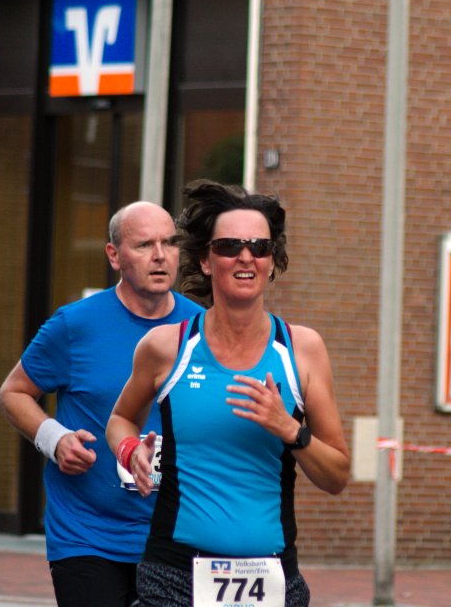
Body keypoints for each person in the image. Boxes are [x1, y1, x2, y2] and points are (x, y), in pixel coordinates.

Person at [106, 179, 350, 607]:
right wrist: (130, 451)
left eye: (260, 247)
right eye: (229, 246)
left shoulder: (302, 349)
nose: (246, 256)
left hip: (272, 578)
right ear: (205, 260)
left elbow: (337, 477)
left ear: (272, 262)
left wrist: (290, 430)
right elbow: (121, 419)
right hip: (175, 577)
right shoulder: (166, 347)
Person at [0, 202, 203, 607]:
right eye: (144, 245)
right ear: (114, 255)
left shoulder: (201, 329)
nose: (160, 256)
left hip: (173, 536)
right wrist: (55, 439)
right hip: (87, 534)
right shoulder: (75, 325)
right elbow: (13, 392)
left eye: (169, 243)